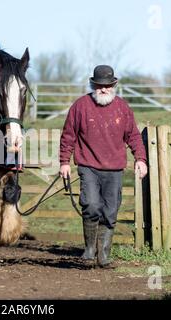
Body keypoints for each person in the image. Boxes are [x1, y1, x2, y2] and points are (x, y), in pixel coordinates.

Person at [59, 65, 148, 268]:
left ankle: (104, 255)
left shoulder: (122, 108)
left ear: (113, 85)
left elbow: (133, 136)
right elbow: (68, 136)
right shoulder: (80, 106)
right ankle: (90, 250)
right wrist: (64, 162)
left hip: (114, 168)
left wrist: (140, 159)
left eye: (107, 86)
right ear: (93, 84)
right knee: (90, 205)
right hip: (88, 166)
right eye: (100, 85)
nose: (104, 89)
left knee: (110, 212)